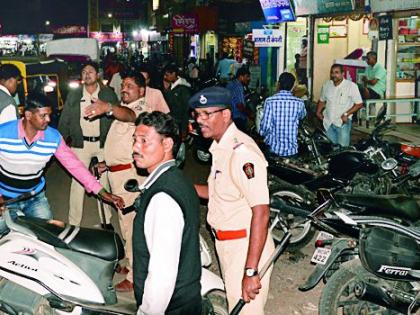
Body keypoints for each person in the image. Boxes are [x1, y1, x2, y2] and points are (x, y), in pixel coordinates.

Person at [191, 87, 275, 314]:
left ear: (226, 115)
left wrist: (250, 271)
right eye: (197, 114)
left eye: (207, 114)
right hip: (227, 244)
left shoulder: (242, 153)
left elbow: (261, 212)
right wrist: (184, 187)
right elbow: (220, 192)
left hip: (244, 247)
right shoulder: (220, 147)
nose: (200, 120)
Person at [0, 93, 124, 234]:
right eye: (43, 116)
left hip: (34, 197)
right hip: (5, 199)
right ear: (28, 115)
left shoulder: (52, 137)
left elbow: (75, 165)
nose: (48, 120)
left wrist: (101, 192)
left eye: (49, 115)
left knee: (48, 236)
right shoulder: (3, 133)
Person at [83, 72, 155, 292]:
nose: (124, 89)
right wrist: (105, 164)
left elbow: (131, 116)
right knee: (125, 224)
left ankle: (135, 277)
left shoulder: (140, 110)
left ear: (142, 91)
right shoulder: (124, 109)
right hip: (116, 174)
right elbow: (122, 147)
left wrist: (109, 108)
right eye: (123, 85)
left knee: (133, 226)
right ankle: (130, 264)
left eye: (130, 86)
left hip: (129, 178)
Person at [132, 111, 201, 315]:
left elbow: (162, 274)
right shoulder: (178, 178)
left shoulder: (163, 198)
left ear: (167, 145)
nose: (136, 147)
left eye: (145, 141)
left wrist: (147, 312)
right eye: (135, 140)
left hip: (172, 306)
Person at [58, 61, 118, 227]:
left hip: (102, 144)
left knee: (103, 183)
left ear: (97, 75)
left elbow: (117, 118)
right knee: (77, 183)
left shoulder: (108, 94)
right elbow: (66, 118)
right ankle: (74, 223)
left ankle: (106, 221)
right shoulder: (75, 94)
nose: (87, 74)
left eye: (90, 71)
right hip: (80, 144)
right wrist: (60, 140)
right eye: (84, 72)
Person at [259, 72, 306, 157]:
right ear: (293, 87)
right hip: (292, 151)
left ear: (279, 85)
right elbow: (302, 116)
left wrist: (261, 133)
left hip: (274, 150)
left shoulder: (269, 101)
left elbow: (266, 127)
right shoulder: (300, 103)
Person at [316, 64, 363, 147]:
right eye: (332, 72)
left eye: (337, 72)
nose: (334, 75)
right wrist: (318, 112)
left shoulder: (351, 86)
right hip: (328, 123)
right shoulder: (327, 85)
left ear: (342, 73)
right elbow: (322, 100)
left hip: (342, 123)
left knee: (343, 150)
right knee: (332, 149)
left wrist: (346, 114)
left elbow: (359, 104)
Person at [162, 64, 191, 137]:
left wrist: (184, 129)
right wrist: (166, 90)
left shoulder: (184, 88)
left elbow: (186, 110)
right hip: (171, 121)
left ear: (174, 74)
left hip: (179, 123)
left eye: (167, 75)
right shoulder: (170, 85)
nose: (165, 77)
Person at [226, 67, 251, 132]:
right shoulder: (239, 86)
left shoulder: (230, 84)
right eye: (247, 76)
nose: (249, 79)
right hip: (238, 118)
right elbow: (240, 106)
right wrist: (250, 116)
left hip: (230, 117)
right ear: (241, 77)